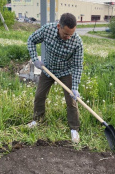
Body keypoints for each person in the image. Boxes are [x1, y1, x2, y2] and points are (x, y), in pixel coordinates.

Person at [26, 13, 83, 143]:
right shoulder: (47, 30)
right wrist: (35, 59)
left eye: (71, 35)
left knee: (71, 101)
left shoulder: (77, 42)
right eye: (66, 34)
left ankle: (74, 128)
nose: (69, 37)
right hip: (48, 70)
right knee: (39, 96)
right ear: (59, 26)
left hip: (65, 71)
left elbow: (78, 65)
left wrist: (74, 88)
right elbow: (31, 40)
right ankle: (38, 120)